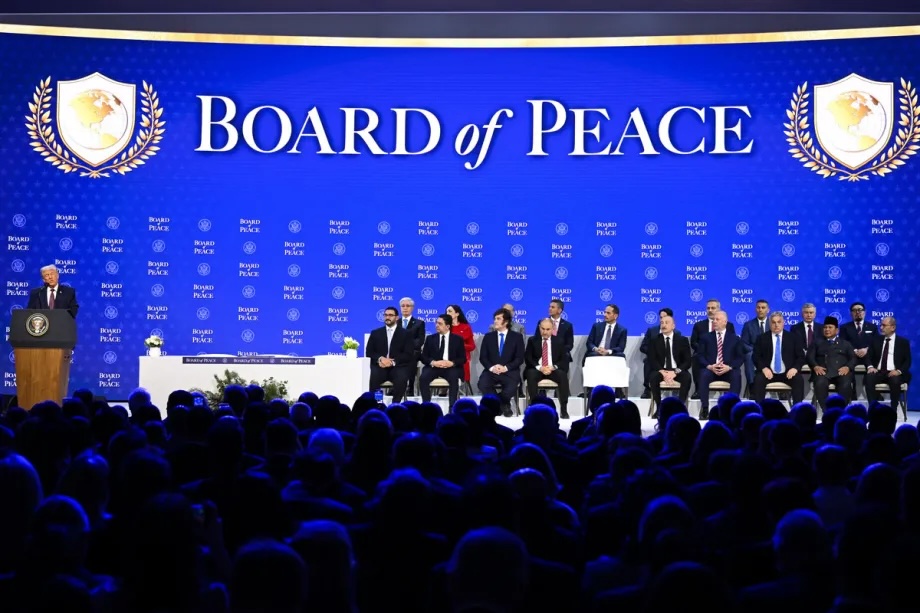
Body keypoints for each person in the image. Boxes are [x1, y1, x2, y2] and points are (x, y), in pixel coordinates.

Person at [696, 310, 744, 420]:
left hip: (728, 369)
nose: (714, 322)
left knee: (736, 375)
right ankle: (705, 408)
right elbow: (700, 356)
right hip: (711, 369)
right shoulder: (705, 337)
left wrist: (729, 367)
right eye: (713, 320)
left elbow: (740, 357)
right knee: (703, 374)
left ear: (725, 322)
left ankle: (732, 409)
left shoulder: (735, 338)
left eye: (717, 320)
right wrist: (709, 366)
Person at [478, 307, 525, 417]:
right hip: (491, 371)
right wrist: (492, 368)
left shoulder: (517, 337)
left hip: (509, 371)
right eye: (495, 318)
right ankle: (504, 405)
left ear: (506, 321)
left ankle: (499, 404)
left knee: (511, 387)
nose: (495, 321)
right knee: (483, 385)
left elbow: (519, 358)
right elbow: (483, 357)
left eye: (498, 319)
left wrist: (506, 368)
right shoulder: (488, 337)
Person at [752, 311, 806, 405]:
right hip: (768, 373)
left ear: (783, 323)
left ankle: (797, 410)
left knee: (798, 379)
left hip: (788, 373)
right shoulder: (762, 338)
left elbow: (801, 356)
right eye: (773, 322)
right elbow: (756, 356)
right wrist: (764, 368)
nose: (776, 325)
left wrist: (795, 368)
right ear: (769, 324)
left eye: (779, 322)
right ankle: (759, 411)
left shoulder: (793, 338)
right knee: (758, 379)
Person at [865, 316, 912, 420]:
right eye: (880, 325)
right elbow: (868, 356)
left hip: (894, 372)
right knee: (869, 377)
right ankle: (872, 409)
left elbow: (907, 361)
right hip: (879, 371)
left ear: (893, 327)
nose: (881, 327)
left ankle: (893, 410)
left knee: (895, 380)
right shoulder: (875, 340)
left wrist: (898, 371)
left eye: (884, 325)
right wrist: (871, 366)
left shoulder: (903, 342)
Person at [806, 316, 856, 412]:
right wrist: (815, 366)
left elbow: (853, 358)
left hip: (841, 372)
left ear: (836, 330)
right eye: (825, 327)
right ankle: (827, 412)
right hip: (823, 372)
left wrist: (848, 367)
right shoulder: (817, 343)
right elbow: (809, 357)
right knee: (820, 384)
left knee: (846, 384)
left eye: (830, 327)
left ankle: (840, 411)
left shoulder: (845, 344)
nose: (827, 330)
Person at [366, 306, 415, 402]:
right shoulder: (376, 333)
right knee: (374, 378)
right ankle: (378, 403)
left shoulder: (406, 334)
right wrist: (381, 359)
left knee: (401, 379)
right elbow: (369, 352)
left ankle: (395, 405)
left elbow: (408, 354)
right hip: (380, 366)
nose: (387, 317)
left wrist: (392, 362)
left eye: (390, 315)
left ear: (397, 317)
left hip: (397, 366)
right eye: (385, 315)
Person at [524, 318, 570, 419]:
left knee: (562, 375)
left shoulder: (559, 341)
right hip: (538, 369)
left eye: (548, 329)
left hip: (552, 369)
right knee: (530, 374)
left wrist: (554, 367)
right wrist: (540, 367)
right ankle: (534, 406)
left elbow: (564, 360)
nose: (545, 332)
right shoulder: (532, 340)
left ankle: (564, 409)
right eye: (543, 329)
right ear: (539, 328)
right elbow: (528, 358)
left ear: (553, 329)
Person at [647, 314, 692, 416]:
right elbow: (652, 360)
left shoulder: (682, 340)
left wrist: (675, 372)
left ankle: (680, 407)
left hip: (677, 370)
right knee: (653, 377)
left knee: (687, 377)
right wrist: (662, 372)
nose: (663, 325)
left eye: (667, 323)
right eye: (662, 323)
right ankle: (659, 408)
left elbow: (687, 361)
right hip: (661, 370)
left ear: (673, 326)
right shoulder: (654, 340)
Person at [417, 313, 466, 407]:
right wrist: (433, 362)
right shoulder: (430, 338)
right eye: (436, 323)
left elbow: (462, 358)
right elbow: (423, 357)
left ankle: (452, 408)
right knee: (423, 378)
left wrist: (452, 363)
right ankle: (426, 406)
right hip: (434, 367)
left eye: (440, 324)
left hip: (450, 368)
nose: (436, 325)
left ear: (447, 326)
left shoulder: (457, 339)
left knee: (454, 378)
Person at [639, 308, 677, 399]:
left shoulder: (677, 333)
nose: (661, 320)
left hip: (669, 359)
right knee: (648, 360)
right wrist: (654, 352)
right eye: (660, 317)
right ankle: (647, 389)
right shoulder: (652, 330)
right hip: (654, 359)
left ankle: (676, 392)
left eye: (664, 317)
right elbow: (643, 346)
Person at [740, 299, 770, 397]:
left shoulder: (773, 323)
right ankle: (753, 388)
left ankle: (782, 390)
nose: (760, 310)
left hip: (771, 353)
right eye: (758, 307)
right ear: (755, 309)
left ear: (768, 310)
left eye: (763, 308)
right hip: (753, 353)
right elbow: (744, 343)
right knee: (749, 356)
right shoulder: (748, 325)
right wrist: (755, 352)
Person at [534, 299, 574, 370]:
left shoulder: (567, 325)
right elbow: (536, 339)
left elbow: (570, 344)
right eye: (549, 307)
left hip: (560, 356)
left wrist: (558, 351)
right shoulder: (542, 322)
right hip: (543, 353)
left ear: (559, 310)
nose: (550, 309)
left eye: (552, 307)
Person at [398, 297, 426, 396]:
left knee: (411, 356)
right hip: (397, 351)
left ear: (412, 308)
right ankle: (396, 386)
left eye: (408, 306)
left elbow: (420, 340)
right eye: (403, 306)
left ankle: (410, 387)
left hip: (413, 352)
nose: (405, 308)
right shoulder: (395, 323)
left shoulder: (419, 323)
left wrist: (406, 346)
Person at [446, 305, 476, 388]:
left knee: (461, 362)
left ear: (457, 314)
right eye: (447, 311)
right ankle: (445, 387)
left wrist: (460, 346)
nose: (447, 313)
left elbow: (472, 346)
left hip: (461, 357)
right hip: (445, 356)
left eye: (450, 311)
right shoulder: (444, 327)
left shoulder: (465, 327)